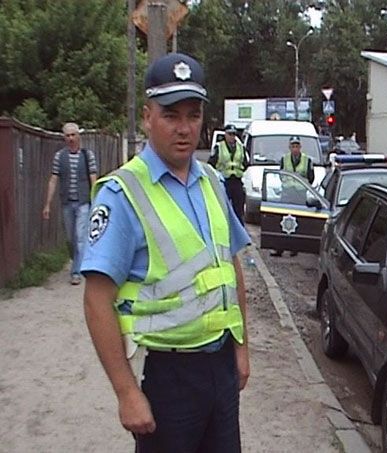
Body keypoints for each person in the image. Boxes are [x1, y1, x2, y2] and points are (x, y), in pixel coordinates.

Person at [81, 52, 250, 453]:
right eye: (171, 115)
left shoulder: (211, 180)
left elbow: (231, 266)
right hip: (169, 375)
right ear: (147, 116)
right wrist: (126, 392)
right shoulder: (123, 194)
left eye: (193, 115)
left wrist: (241, 348)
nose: (184, 128)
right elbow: (96, 300)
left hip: (220, 368)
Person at [42, 122, 97, 285]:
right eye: (68, 135)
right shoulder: (60, 156)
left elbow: (94, 178)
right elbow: (53, 179)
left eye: (73, 135)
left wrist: (96, 200)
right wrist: (47, 204)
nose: (71, 138)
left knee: (80, 237)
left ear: (78, 136)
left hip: (83, 202)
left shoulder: (88, 155)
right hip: (66, 202)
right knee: (70, 238)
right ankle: (77, 260)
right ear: (64, 138)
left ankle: (76, 272)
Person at [271, 136, 314, 257]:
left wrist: (302, 185)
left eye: (297, 146)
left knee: (297, 222)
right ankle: (280, 248)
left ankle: (294, 248)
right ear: (289, 147)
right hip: (287, 193)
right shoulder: (284, 159)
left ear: (300, 147)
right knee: (283, 222)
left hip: (299, 194)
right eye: (293, 146)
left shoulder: (307, 160)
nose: (295, 148)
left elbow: (311, 177)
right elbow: (281, 174)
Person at [208, 123, 248, 224]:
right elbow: (211, 164)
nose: (232, 136)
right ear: (225, 134)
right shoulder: (219, 147)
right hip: (224, 181)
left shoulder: (241, 147)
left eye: (234, 134)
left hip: (237, 181)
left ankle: (239, 231)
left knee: (238, 209)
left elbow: (246, 162)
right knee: (222, 207)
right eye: (229, 134)